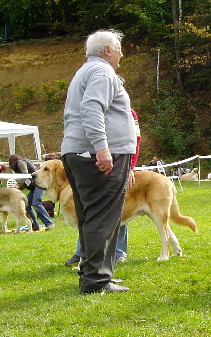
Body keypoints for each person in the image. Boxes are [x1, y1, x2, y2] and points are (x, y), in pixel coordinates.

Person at [61, 29, 136, 294]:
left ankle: (95, 274)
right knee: (102, 217)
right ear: (107, 50)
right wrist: (102, 148)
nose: (121, 53)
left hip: (78, 153)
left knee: (91, 216)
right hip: (97, 155)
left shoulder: (86, 71)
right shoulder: (103, 73)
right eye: (119, 48)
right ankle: (96, 280)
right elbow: (92, 108)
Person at [65, 108, 141, 266]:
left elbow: (135, 139)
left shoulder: (129, 113)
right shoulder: (93, 110)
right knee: (89, 210)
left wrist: (130, 167)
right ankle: (82, 252)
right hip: (93, 162)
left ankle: (118, 252)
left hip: (118, 161)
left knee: (116, 208)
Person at [8, 154, 56, 231]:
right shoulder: (22, 162)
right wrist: (19, 187)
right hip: (34, 185)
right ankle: (34, 225)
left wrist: (18, 185)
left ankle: (49, 223)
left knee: (36, 203)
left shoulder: (20, 162)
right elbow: (27, 180)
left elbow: (26, 174)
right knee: (27, 204)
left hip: (40, 183)